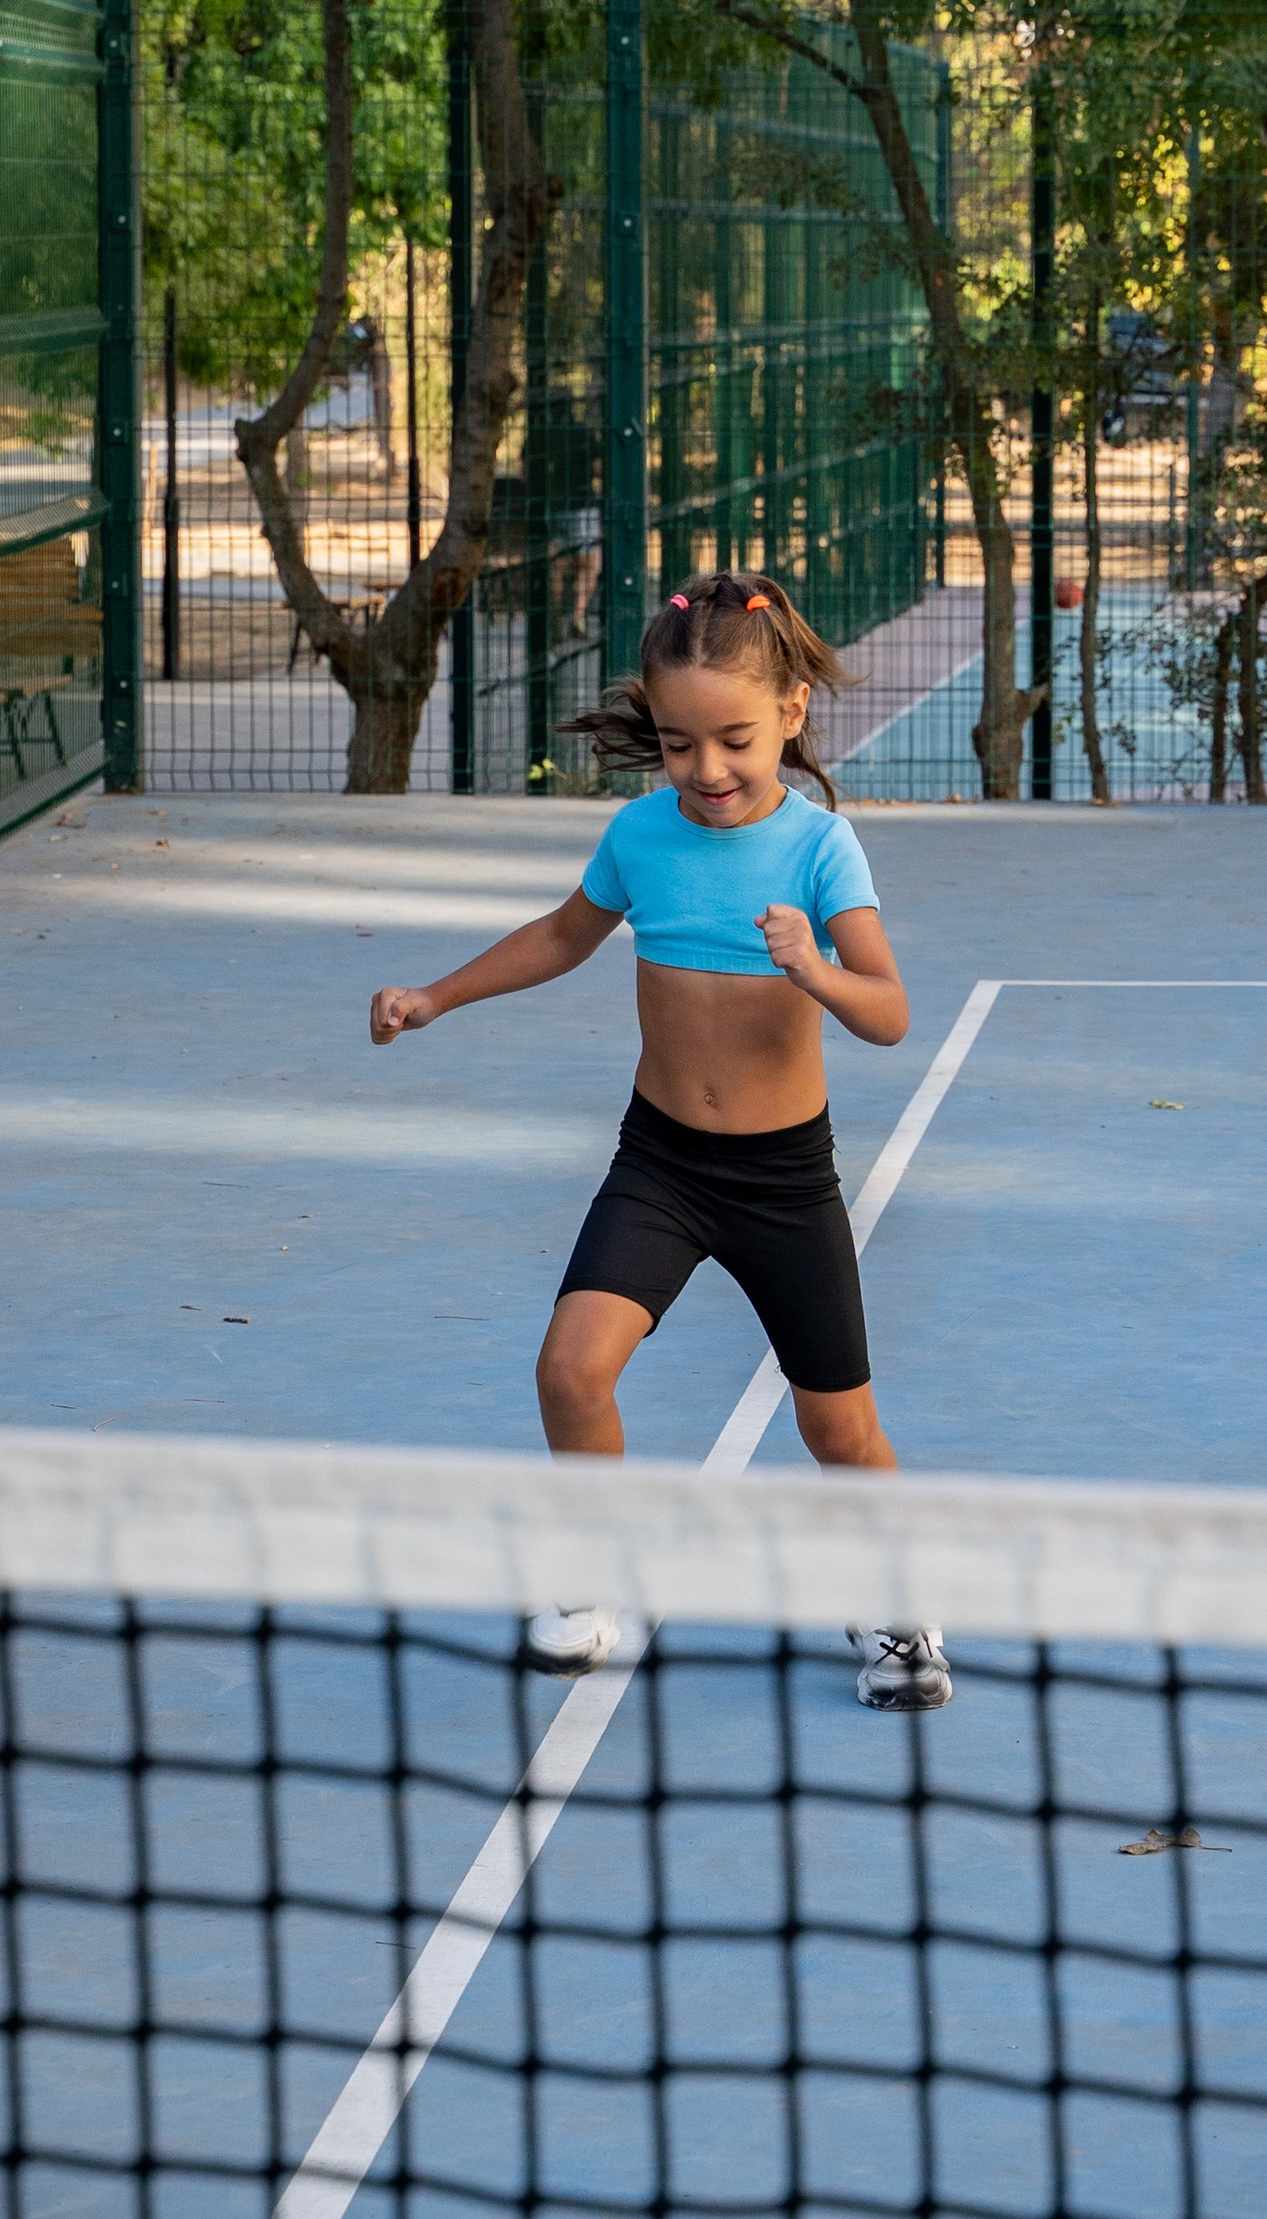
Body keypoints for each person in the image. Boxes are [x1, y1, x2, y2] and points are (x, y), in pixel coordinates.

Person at [368, 570, 951, 1711]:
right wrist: (436, 996)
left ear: (788, 712)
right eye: (680, 744)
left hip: (785, 1181)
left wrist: (815, 969)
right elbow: (561, 936)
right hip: (663, 1166)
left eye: (733, 739)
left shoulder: (822, 849)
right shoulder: (641, 835)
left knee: (839, 1426)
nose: (709, 770)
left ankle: (896, 1601)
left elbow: (889, 1014)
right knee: (569, 1369)